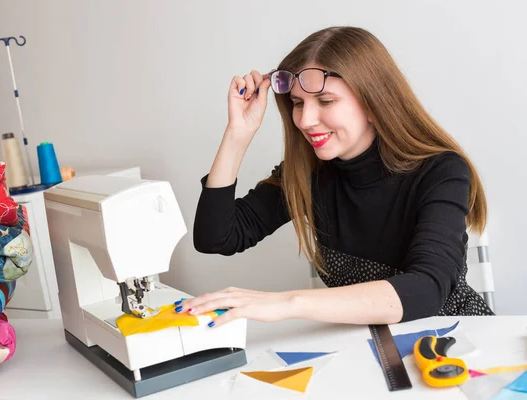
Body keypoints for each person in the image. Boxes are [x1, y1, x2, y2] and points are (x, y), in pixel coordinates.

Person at [175, 26, 494, 328]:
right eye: (298, 103)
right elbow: (215, 237)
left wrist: (288, 303)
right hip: (362, 345)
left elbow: (426, 289)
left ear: (374, 101)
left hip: (455, 340)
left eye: (326, 101)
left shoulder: (441, 171)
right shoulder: (308, 174)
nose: (304, 119)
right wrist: (237, 135)